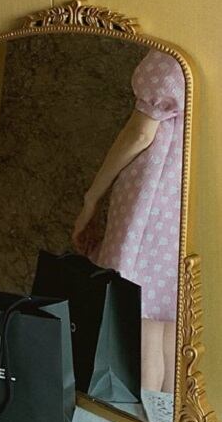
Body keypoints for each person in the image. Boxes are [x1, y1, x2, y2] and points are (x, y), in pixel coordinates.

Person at [72, 48, 185, 395]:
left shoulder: (173, 55)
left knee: (144, 324)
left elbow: (140, 134)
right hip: (187, 206)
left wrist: (92, 197)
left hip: (155, 202)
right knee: (168, 326)